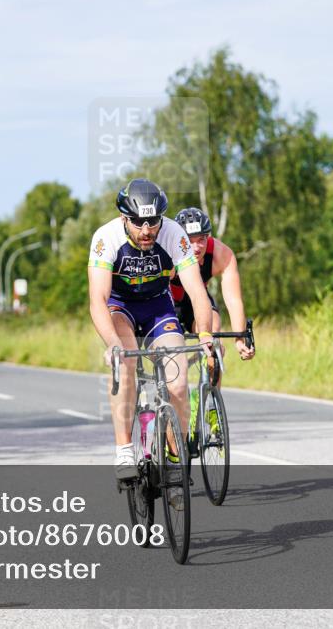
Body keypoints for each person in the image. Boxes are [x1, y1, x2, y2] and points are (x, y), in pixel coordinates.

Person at [87, 178, 214, 485]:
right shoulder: (106, 238)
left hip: (158, 308)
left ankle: (174, 458)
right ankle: (124, 450)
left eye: (153, 222)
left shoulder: (173, 234)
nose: (146, 231)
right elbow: (97, 300)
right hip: (121, 309)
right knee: (125, 362)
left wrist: (206, 335)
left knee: (180, 383)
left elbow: (197, 291)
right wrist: (113, 344)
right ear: (123, 218)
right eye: (139, 223)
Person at [170, 207, 255, 361]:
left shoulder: (222, 254)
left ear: (208, 236)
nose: (196, 248)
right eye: (189, 240)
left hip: (196, 300)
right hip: (166, 299)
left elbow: (234, 300)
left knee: (214, 332)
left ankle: (211, 381)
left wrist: (240, 339)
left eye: (201, 239)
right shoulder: (166, 250)